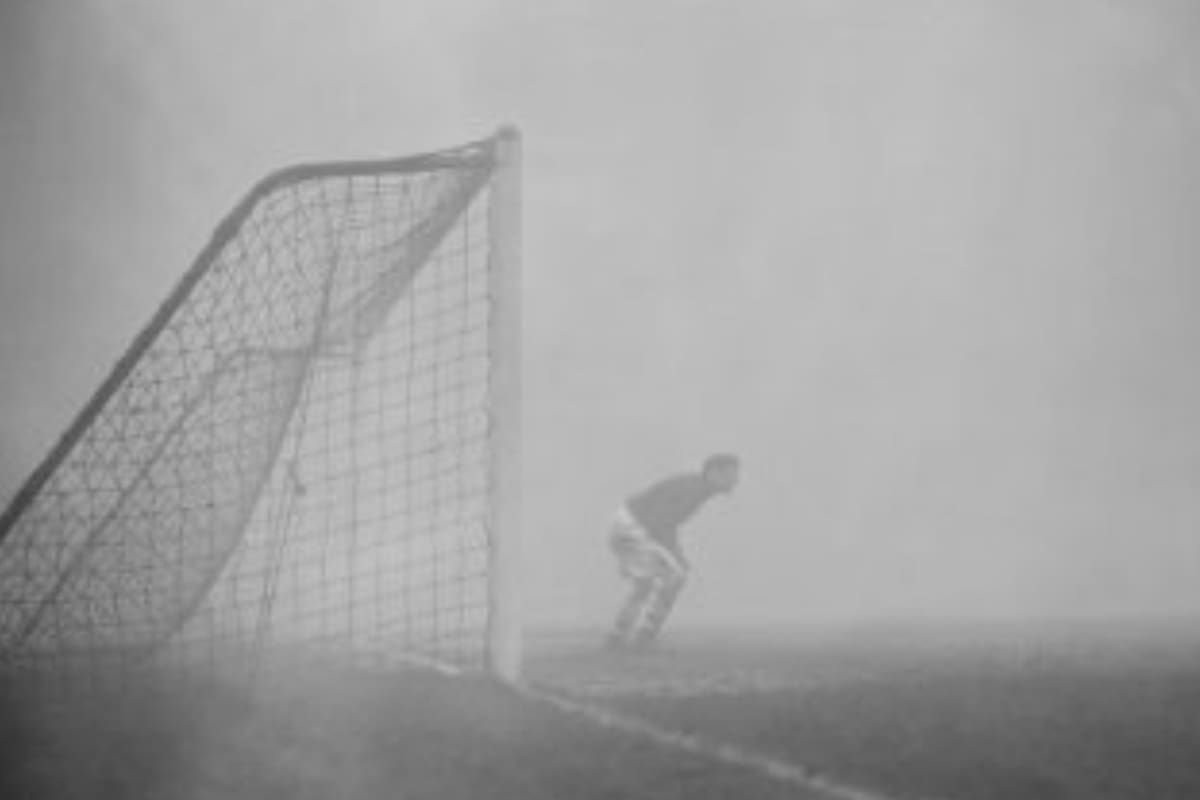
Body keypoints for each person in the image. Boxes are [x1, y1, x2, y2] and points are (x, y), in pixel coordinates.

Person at [606, 453, 740, 650]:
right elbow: (661, 521)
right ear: (713, 473)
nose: (735, 481)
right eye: (730, 474)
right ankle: (643, 637)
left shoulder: (696, 488)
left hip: (628, 526)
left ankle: (620, 636)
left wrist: (674, 551)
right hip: (634, 528)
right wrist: (676, 554)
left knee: (647, 583)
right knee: (675, 575)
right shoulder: (694, 489)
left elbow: (665, 522)